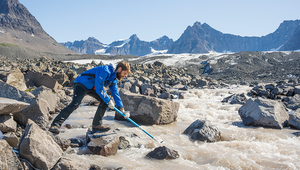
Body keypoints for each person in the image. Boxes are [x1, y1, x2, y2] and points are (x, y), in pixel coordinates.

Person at [49, 61, 131, 134]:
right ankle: (55, 124)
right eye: (124, 73)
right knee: (75, 104)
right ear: (119, 69)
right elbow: (99, 88)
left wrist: (121, 108)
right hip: (82, 83)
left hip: (92, 87)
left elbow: (115, 92)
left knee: (104, 101)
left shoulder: (114, 78)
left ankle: (96, 125)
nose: (124, 76)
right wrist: (109, 101)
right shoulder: (105, 70)